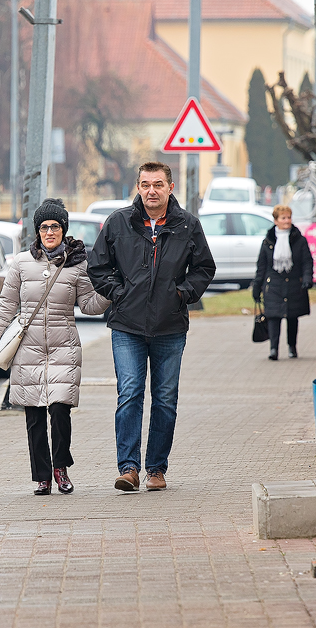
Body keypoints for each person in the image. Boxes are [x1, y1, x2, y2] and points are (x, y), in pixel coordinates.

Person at [87, 162, 216, 492]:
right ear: (138, 187)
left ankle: (156, 469)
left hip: (170, 326)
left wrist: (182, 294)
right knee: (129, 393)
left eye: (158, 184)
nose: (151, 191)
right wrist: (119, 293)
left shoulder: (187, 225)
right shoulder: (119, 223)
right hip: (127, 325)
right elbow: (98, 267)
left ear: (170, 187)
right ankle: (128, 468)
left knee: (165, 399)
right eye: (145, 184)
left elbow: (204, 267)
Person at [0, 199, 110, 496]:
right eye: (44, 227)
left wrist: (109, 293)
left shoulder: (78, 264)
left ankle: (60, 468)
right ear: (37, 231)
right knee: (34, 416)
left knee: (60, 410)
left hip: (63, 346)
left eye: (55, 226)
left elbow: (89, 304)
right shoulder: (21, 264)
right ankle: (42, 477)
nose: (49, 232)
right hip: (28, 349)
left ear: (63, 230)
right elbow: (5, 306)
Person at [252, 204, 313, 360]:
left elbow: (307, 261)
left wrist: (307, 279)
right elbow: (262, 266)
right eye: (283, 218)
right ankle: (274, 349)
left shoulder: (299, 240)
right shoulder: (268, 242)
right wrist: (257, 287)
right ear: (276, 220)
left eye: (289, 217)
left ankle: (292, 347)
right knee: (273, 317)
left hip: (294, 284)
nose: (287, 221)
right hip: (273, 285)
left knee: (292, 317)